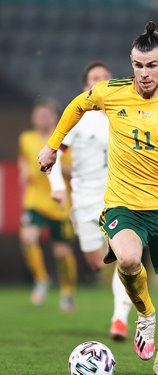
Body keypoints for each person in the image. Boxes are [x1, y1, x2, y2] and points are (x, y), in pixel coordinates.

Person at [38, 21, 158, 375]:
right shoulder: (111, 92)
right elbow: (75, 107)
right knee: (129, 258)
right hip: (123, 203)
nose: (143, 73)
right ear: (130, 63)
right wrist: (52, 146)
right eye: (137, 64)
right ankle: (145, 314)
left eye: (151, 65)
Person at [48, 62, 132, 340]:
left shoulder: (125, 114)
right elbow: (54, 152)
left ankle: (119, 318)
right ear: (86, 86)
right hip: (84, 199)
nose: (102, 83)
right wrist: (59, 187)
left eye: (106, 78)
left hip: (119, 195)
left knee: (125, 257)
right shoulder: (77, 116)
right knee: (96, 263)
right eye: (95, 79)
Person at [18, 98, 77, 312]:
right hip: (34, 199)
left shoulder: (64, 140)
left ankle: (68, 292)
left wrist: (54, 164)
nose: (41, 119)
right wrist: (24, 170)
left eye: (46, 115)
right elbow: (24, 159)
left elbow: (73, 170)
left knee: (61, 253)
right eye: (38, 115)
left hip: (59, 202)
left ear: (54, 118)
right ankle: (42, 279)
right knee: (28, 237)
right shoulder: (25, 138)